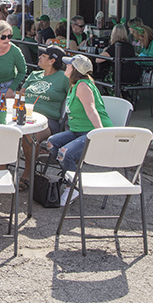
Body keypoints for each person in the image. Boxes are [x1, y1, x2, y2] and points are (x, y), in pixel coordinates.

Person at [45, 54, 113, 206]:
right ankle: (71, 176)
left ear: (75, 69)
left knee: (65, 153)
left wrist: (100, 133)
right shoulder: (74, 85)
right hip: (78, 130)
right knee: (51, 143)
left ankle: (73, 186)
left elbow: (91, 111)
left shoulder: (83, 85)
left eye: (69, 65)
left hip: (91, 131)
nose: (65, 67)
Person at [20, 45, 70, 188]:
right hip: (24, 116)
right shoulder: (34, 75)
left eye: (43, 56)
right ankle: (1, 172)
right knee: (2, 131)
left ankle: (27, 175)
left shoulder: (63, 78)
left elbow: (74, 95)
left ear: (52, 60)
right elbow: (21, 95)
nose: (39, 57)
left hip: (47, 121)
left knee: (30, 136)